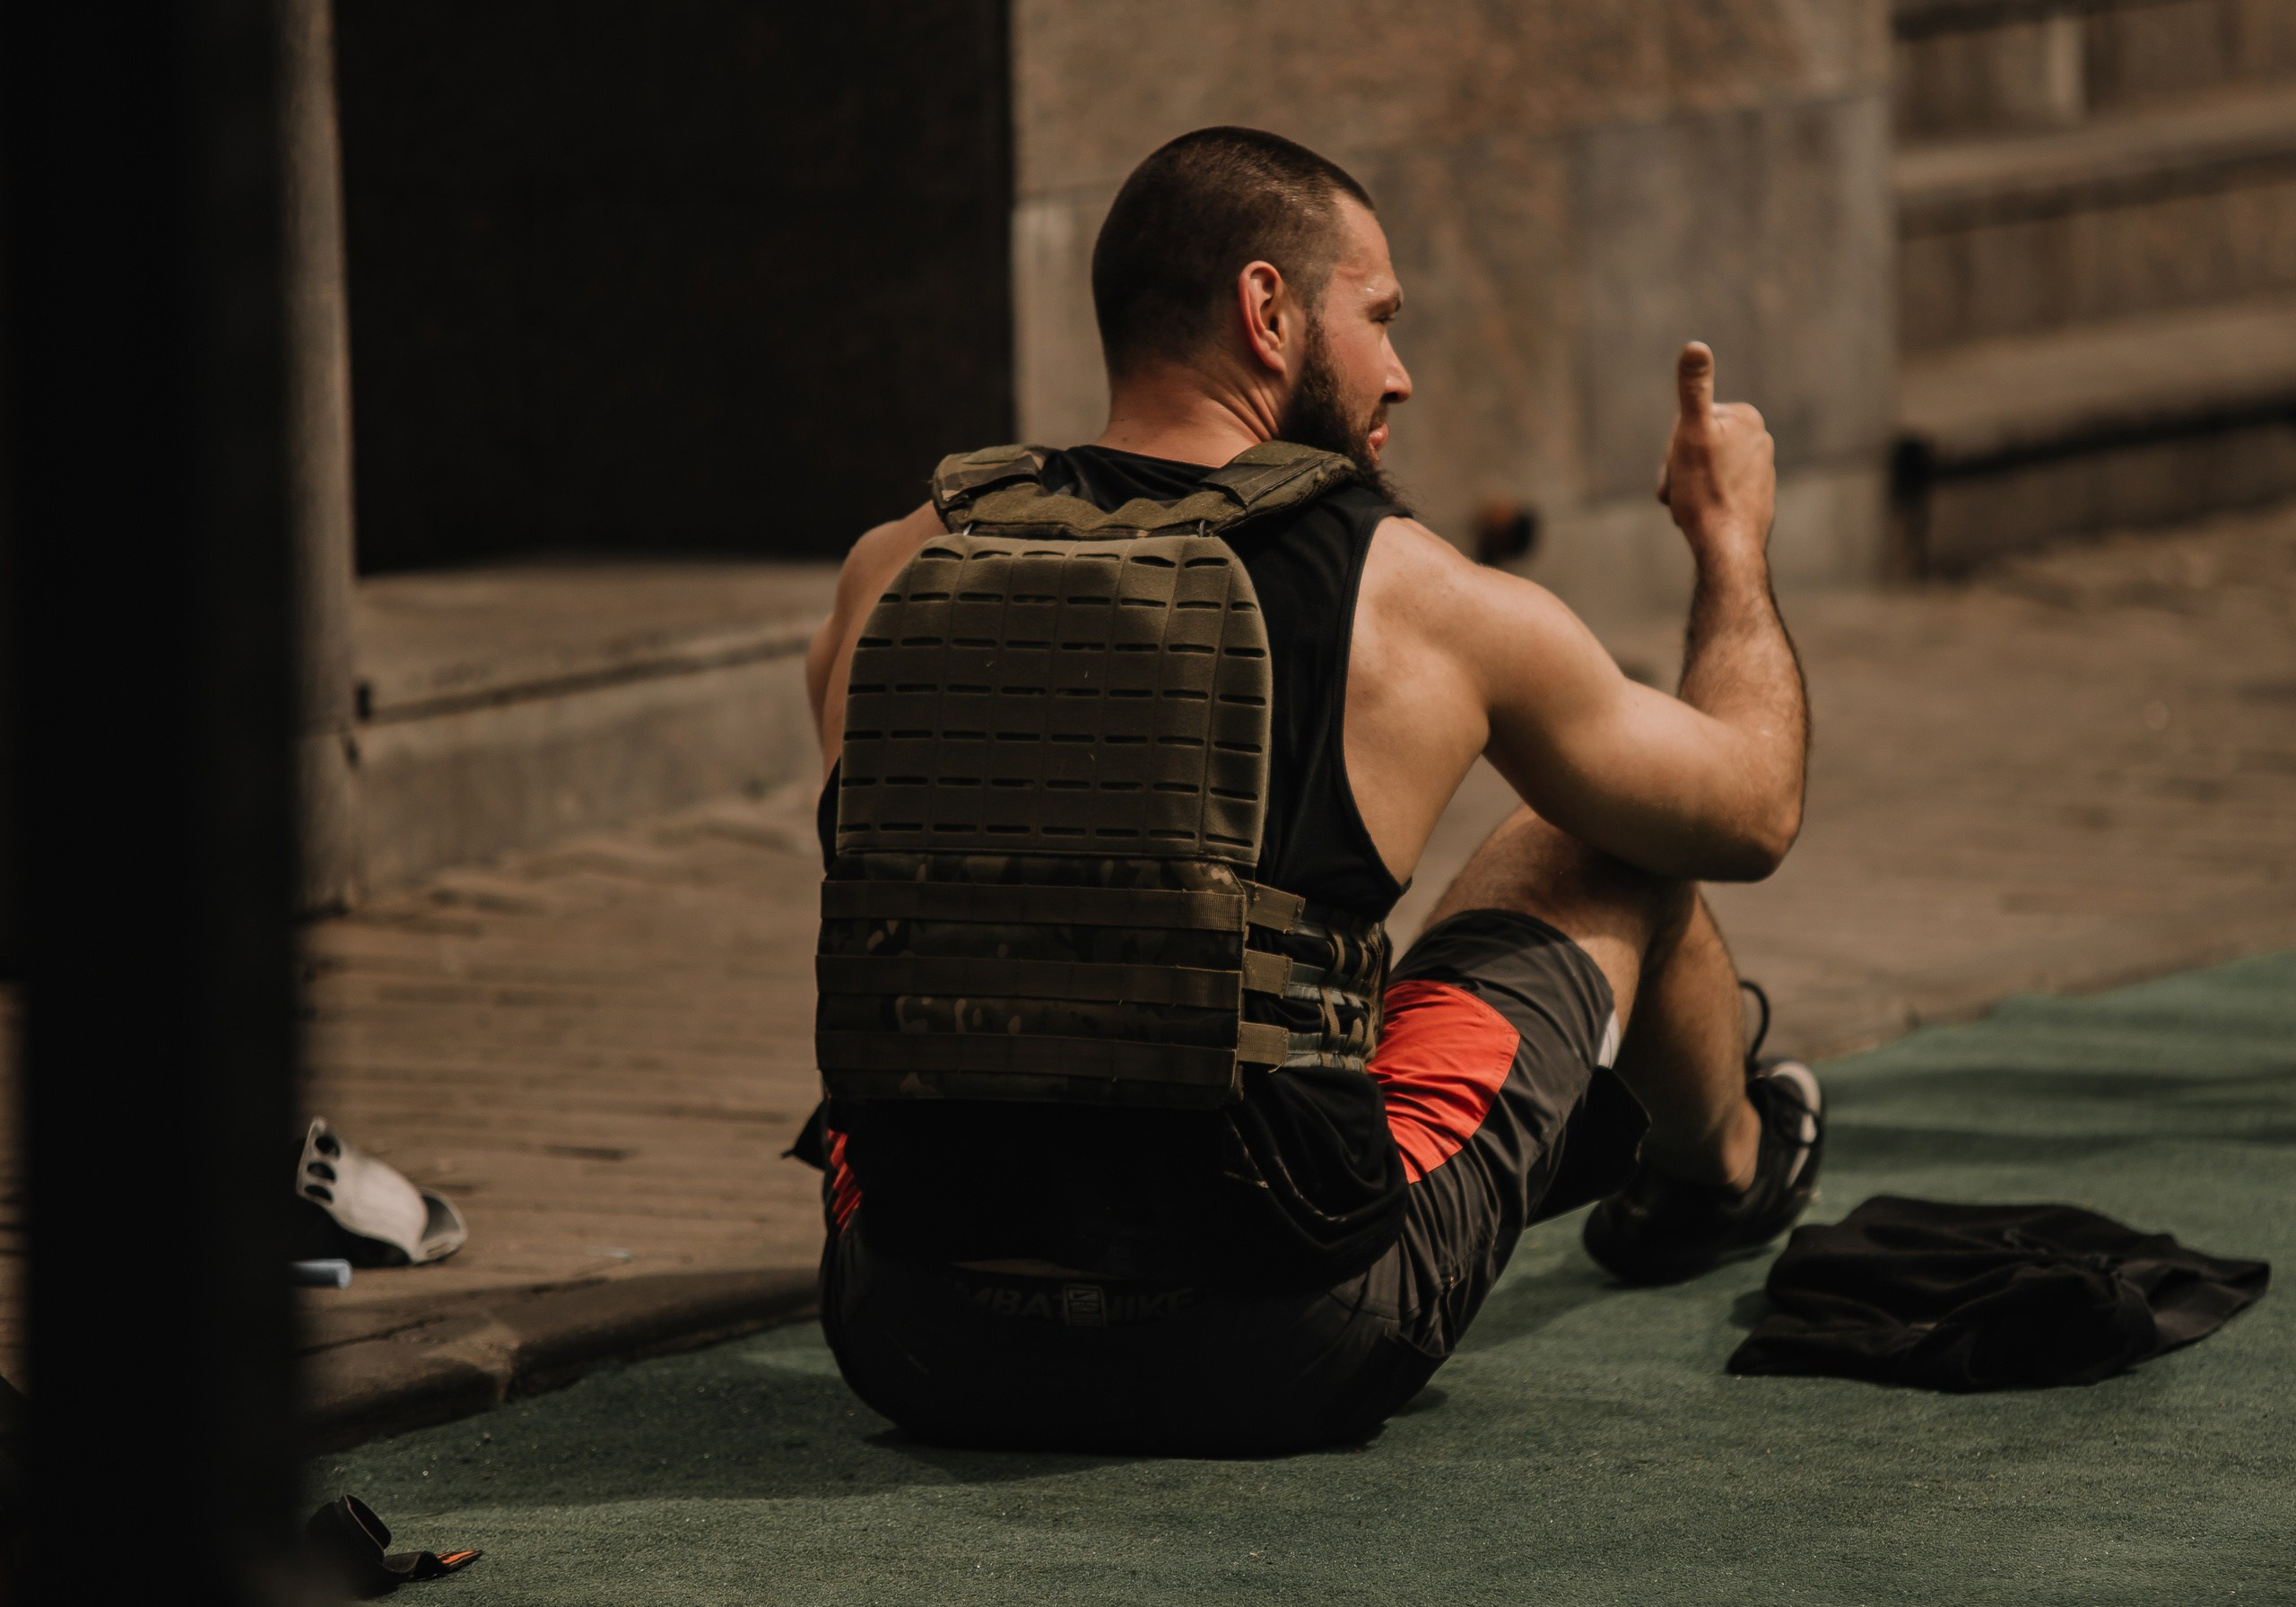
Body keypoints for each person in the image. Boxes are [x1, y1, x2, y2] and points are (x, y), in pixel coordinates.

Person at [795, 126, 1821, 1455]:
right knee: (1598, 833)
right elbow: (1753, 810)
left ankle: (1707, 1163)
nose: (1400, 373)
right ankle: (1721, 1173)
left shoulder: (891, 566)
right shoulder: (1414, 592)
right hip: (1271, 1342)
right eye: (1379, 317)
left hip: (914, 1334)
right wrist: (1730, 542)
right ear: (1267, 309)